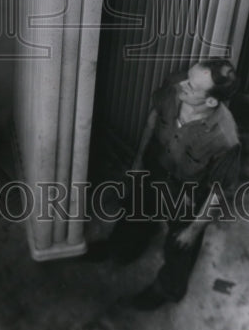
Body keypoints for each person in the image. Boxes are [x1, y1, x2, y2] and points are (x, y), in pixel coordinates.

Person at [92, 58, 240, 310]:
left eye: (192, 86)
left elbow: (218, 190)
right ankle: (121, 250)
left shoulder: (225, 139)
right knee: (134, 213)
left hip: (188, 193)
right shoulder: (175, 86)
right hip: (155, 168)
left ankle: (168, 288)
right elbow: (154, 117)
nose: (181, 84)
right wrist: (138, 161)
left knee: (180, 246)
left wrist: (193, 229)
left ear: (212, 102)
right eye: (187, 77)